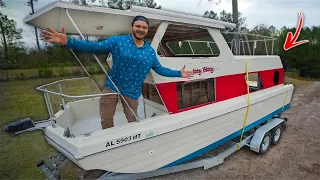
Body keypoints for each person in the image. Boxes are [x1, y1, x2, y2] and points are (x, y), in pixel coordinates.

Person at [41, 15, 193, 129]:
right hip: (112, 87)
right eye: (138, 26)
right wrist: (68, 41)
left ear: (146, 30)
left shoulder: (150, 52)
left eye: (144, 27)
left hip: (132, 93)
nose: (140, 29)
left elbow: (160, 69)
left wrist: (179, 73)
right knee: (106, 119)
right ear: (132, 26)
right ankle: (110, 141)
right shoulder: (118, 41)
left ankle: (132, 141)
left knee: (133, 121)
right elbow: (94, 47)